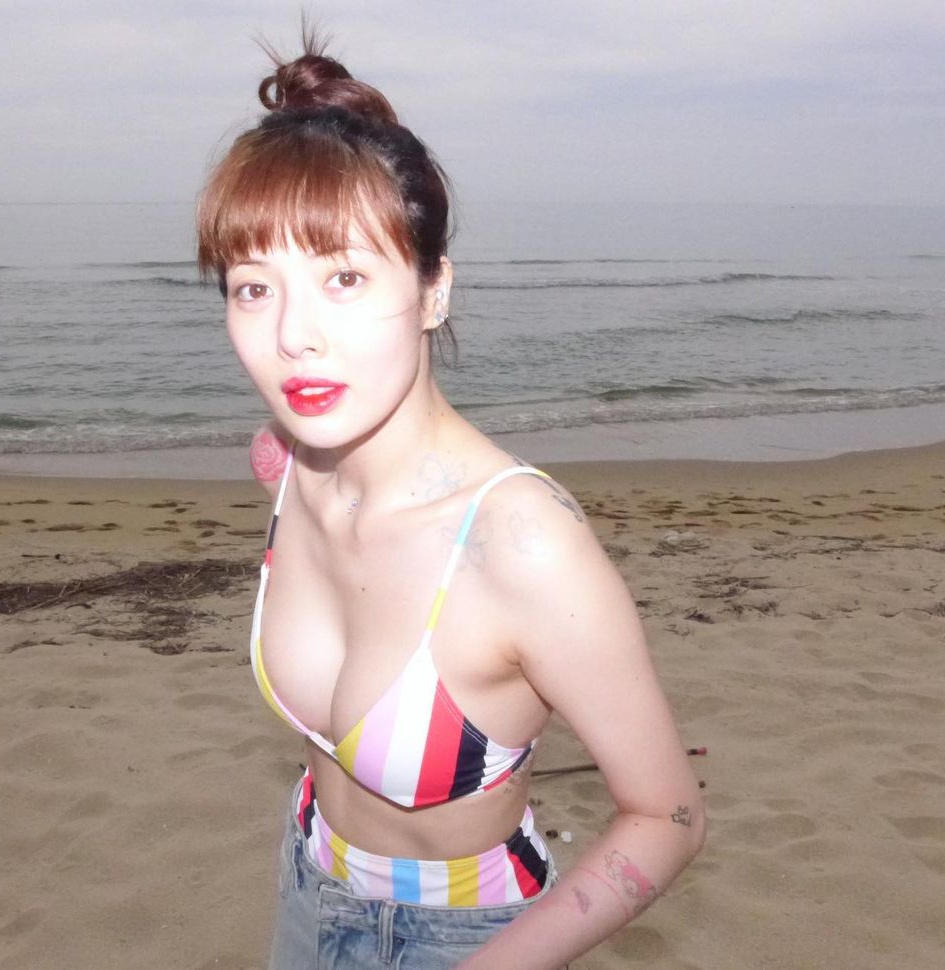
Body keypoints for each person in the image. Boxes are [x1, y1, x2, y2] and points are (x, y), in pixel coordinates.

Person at [197, 31, 705, 970]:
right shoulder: (291, 465)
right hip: (306, 885)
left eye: (345, 278)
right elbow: (277, 452)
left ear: (433, 291)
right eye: (253, 288)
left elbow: (667, 817)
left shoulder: (521, 544)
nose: (294, 336)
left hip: (465, 937)